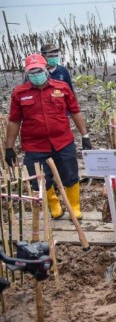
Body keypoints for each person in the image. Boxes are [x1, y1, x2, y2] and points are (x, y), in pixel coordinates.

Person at [5, 53, 92, 219]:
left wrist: (85, 135)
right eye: (32, 72)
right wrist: (9, 147)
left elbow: (75, 112)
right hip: (35, 145)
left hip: (63, 141)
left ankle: (74, 205)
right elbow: (14, 121)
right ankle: (54, 205)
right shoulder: (19, 93)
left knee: (70, 174)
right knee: (39, 179)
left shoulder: (62, 88)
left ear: (46, 69)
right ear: (27, 73)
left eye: (39, 70)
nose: (36, 74)